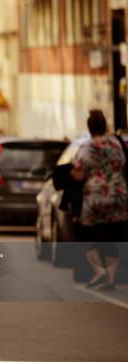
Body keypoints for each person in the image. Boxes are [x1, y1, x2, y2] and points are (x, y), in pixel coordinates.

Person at [71, 110, 128, 291]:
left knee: (85, 234)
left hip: (96, 198)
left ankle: (99, 270)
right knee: (112, 236)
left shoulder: (87, 147)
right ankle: (110, 280)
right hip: (118, 196)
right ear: (105, 126)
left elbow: (79, 174)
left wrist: (70, 174)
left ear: (89, 128)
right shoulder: (117, 145)